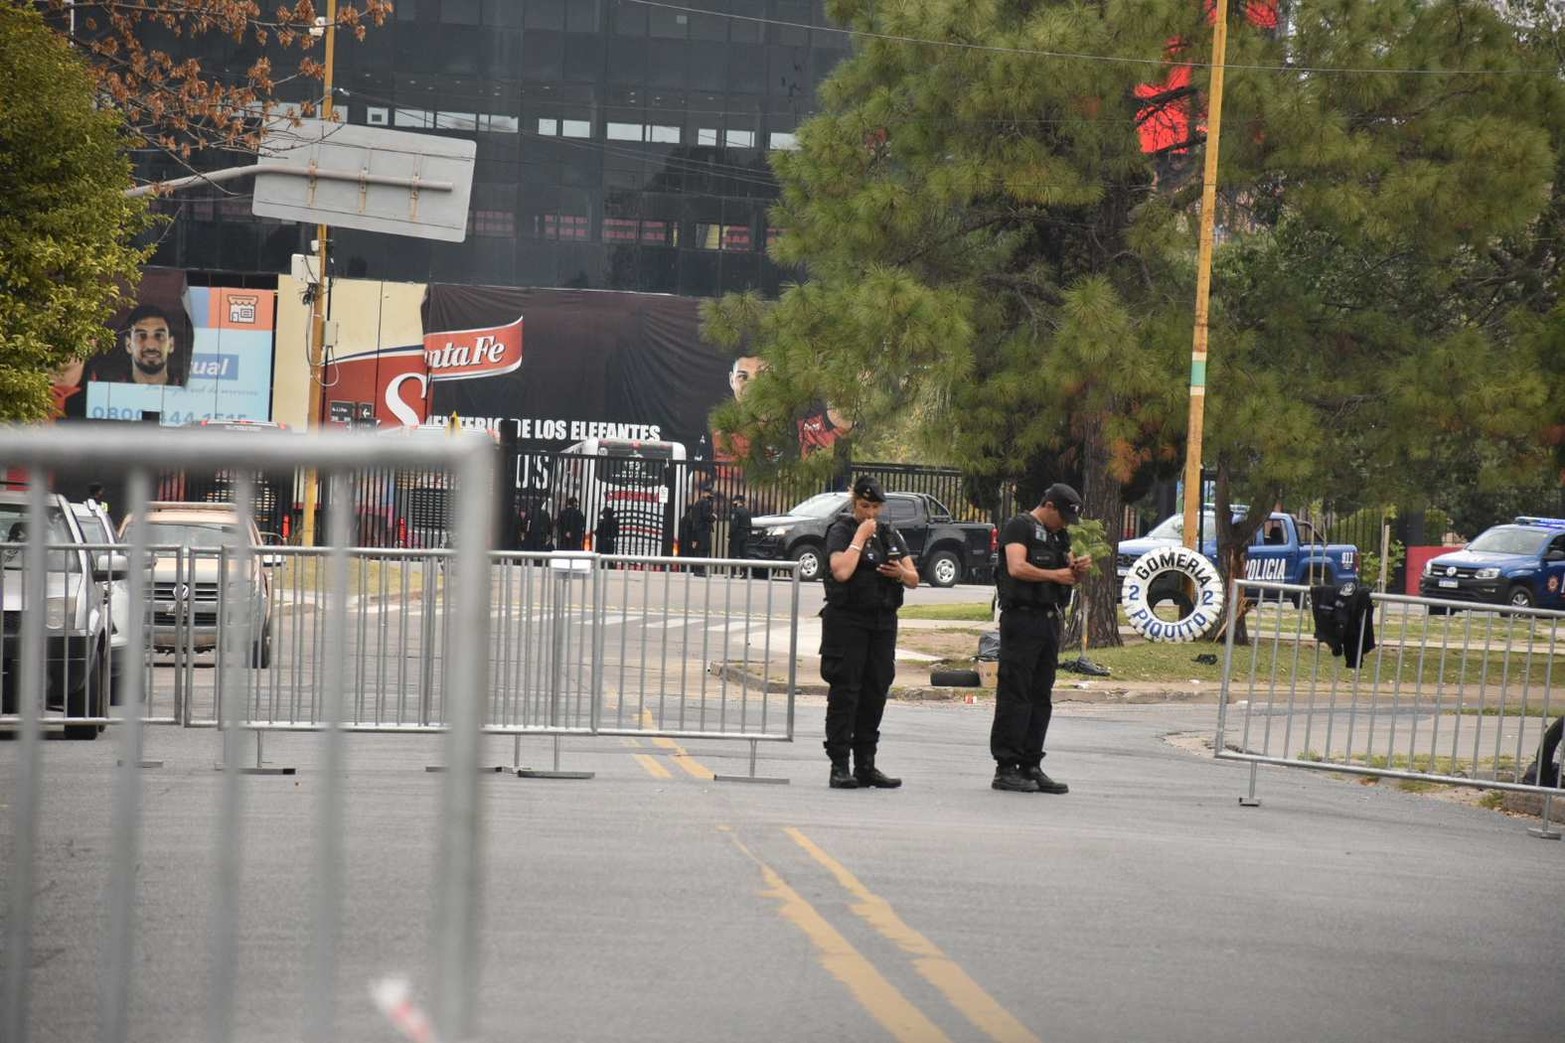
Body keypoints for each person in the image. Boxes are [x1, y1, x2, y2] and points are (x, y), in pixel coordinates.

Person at [819, 475, 919, 789]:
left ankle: (866, 764)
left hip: (882, 623)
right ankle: (839, 765)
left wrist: (899, 572)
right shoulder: (842, 530)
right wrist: (860, 538)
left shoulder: (889, 534)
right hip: (847, 622)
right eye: (865, 506)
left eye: (875, 507)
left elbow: (914, 578)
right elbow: (841, 571)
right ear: (855, 503)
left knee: (875, 691)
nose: (871, 513)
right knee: (846, 693)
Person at [990, 482, 1090, 794]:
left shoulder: (1059, 536)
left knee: (1040, 695)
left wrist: (1077, 569)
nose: (1064, 524)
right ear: (1048, 506)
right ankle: (1006, 767)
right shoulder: (1019, 526)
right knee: (1016, 693)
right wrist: (1054, 575)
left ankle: (1031, 763)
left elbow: (1068, 571)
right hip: (1022, 619)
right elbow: (1016, 567)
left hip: (1049, 618)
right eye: (1062, 517)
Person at [727, 493, 752, 569]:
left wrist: (730, 535)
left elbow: (734, 524)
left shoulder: (735, 511)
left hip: (736, 534)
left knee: (733, 553)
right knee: (744, 554)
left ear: (737, 501)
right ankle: (745, 571)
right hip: (745, 534)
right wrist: (749, 533)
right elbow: (750, 524)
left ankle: (732, 571)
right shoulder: (747, 511)